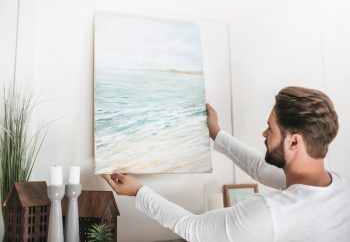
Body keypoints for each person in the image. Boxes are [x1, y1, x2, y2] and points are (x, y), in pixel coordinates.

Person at [102, 86, 350, 242]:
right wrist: (217, 134)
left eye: (270, 128)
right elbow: (264, 171)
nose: (264, 133)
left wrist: (138, 192)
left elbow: (193, 229)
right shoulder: (339, 189)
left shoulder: (270, 214)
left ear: (294, 142)